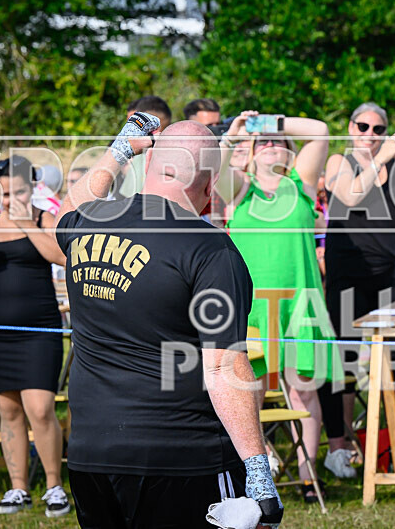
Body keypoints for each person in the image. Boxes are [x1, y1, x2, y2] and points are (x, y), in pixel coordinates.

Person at [53, 115, 283, 527]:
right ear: (210, 186)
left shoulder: (89, 223)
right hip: (181, 458)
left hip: (92, 453)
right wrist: (258, 470)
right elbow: (223, 365)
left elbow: (68, 210)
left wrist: (120, 149)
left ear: (150, 165)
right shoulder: (211, 251)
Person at [219, 110, 340, 500]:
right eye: (262, 143)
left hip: (301, 302)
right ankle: (257, 470)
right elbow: (215, 167)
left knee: (304, 391)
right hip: (252, 306)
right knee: (247, 392)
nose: (270, 144)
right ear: (250, 155)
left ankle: (308, 477)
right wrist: (235, 132)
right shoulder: (239, 190)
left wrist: (267, 123)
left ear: (290, 152)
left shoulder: (300, 185)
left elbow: (320, 131)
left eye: (278, 141)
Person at [0, 155, 70, 518]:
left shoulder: (43, 219)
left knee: (40, 408)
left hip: (39, 328)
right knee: (8, 410)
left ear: (32, 188)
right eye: (4, 194)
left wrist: (25, 221)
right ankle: (18, 487)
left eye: (17, 192)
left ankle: (54, 486)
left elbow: (60, 257)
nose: (10, 200)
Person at [320, 102, 395, 477]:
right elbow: (349, 196)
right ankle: (339, 447)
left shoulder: (394, 163)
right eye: (363, 127)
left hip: (390, 276)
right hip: (349, 273)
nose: (370, 136)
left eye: (379, 130)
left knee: (392, 364)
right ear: (350, 128)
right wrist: (382, 159)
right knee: (341, 362)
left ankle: (393, 444)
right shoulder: (338, 161)